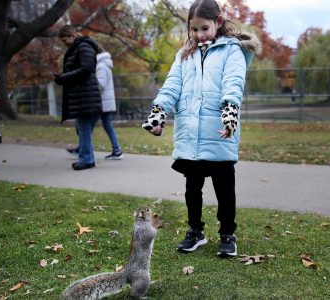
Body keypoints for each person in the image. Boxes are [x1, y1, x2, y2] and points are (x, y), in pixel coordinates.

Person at [142, 0, 260, 258]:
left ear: (218, 21)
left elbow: (233, 83)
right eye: (193, 30)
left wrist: (230, 116)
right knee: (192, 188)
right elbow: (172, 85)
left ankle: (227, 234)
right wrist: (158, 114)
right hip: (190, 133)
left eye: (204, 28)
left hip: (218, 131)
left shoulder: (233, 51)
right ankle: (195, 231)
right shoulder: (185, 54)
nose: (198, 35)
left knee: (224, 188)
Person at [54, 26, 101, 170]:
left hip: (85, 95)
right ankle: (87, 158)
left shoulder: (83, 47)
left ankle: (86, 159)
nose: (64, 43)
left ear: (72, 34)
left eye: (65, 40)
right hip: (84, 95)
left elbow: (86, 69)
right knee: (83, 129)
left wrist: (65, 77)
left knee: (84, 129)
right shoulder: (80, 47)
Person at [96, 44, 122, 159]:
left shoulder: (100, 66)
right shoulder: (104, 64)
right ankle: (116, 150)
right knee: (107, 125)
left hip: (102, 102)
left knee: (86, 126)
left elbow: (101, 84)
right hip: (105, 102)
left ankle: (82, 148)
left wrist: (91, 84)